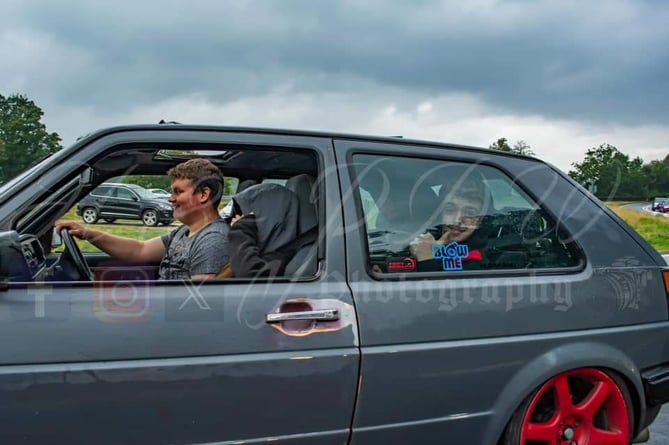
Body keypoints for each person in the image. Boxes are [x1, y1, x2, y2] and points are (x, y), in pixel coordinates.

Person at [56, 158, 229, 280]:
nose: (170, 199)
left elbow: (197, 302)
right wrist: (87, 233)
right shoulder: (184, 232)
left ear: (204, 194)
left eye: (178, 192)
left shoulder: (212, 240)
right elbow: (139, 250)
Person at [409, 173, 492, 272]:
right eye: (450, 210)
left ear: (480, 220)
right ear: (440, 214)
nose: (457, 220)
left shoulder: (486, 255)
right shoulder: (428, 238)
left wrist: (426, 259)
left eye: (469, 212)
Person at [217, 183, 300, 278]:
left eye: (247, 218)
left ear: (269, 220)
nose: (236, 219)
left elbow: (248, 273)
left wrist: (241, 228)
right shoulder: (256, 251)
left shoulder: (278, 259)